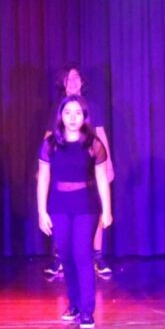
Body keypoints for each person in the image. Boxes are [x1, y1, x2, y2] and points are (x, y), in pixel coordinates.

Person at [37, 95, 113, 329]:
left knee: (82, 254)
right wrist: (41, 211)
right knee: (66, 256)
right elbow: (43, 179)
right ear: (61, 115)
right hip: (59, 205)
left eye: (78, 113)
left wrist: (107, 210)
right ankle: (74, 305)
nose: (72, 118)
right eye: (68, 112)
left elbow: (102, 179)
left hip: (86, 205)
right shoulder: (50, 143)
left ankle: (87, 311)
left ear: (84, 116)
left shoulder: (93, 144)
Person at [44, 65, 115, 281]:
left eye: (75, 77)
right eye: (68, 79)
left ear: (82, 82)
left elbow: (100, 135)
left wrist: (108, 164)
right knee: (60, 212)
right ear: (63, 84)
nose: (72, 82)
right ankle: (59, 257)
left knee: (93, 208)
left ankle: (98, 256)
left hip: (89, 166)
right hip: (65, 169)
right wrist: (43, 167)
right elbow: (48, 138)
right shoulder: (58, 108)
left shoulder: (92, 107)